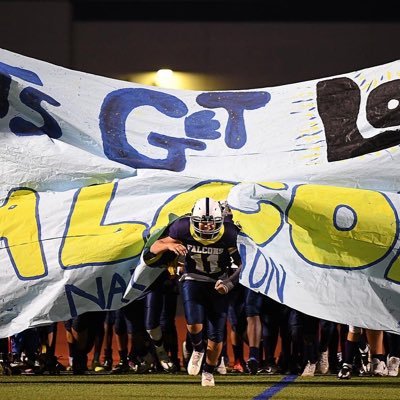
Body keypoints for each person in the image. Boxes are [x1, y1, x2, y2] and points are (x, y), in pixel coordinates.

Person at [149, 197, 242, 386]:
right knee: (194, 324)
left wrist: (229, 283)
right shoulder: (182, 227)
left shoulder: (230, 232)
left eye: (211, 223)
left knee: (216, 337)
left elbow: (244, 264)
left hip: (219, 282)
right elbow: (154, 246)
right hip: (193, 278)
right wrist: (169, 245)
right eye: (203, 223)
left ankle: (208, 371)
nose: (207, 227)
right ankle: (198, 348)